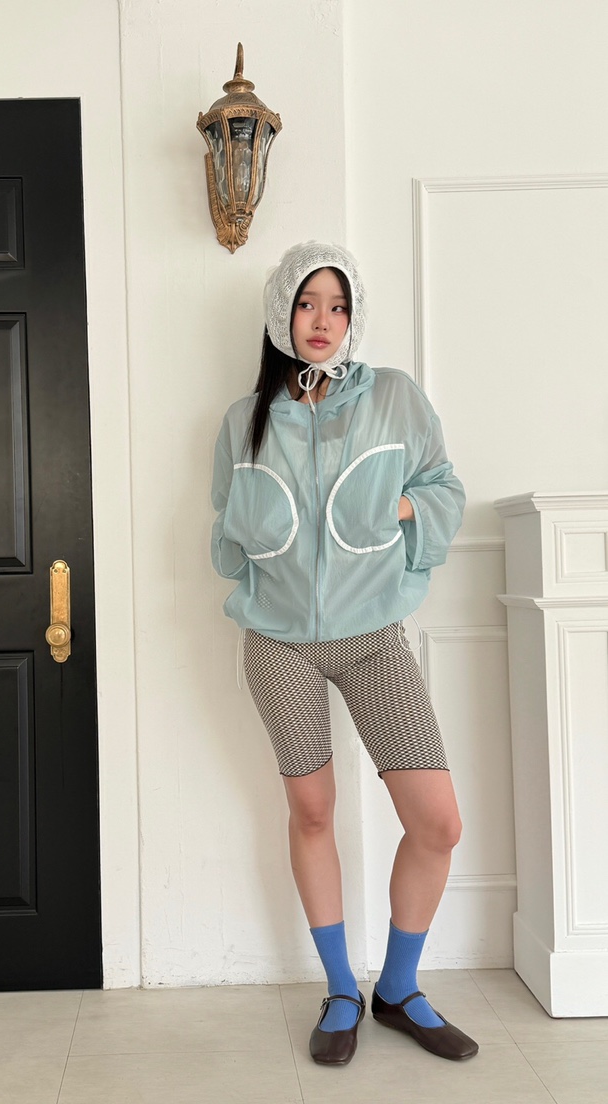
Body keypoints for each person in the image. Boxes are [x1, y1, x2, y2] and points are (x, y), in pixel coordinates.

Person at [210, 242, 478, 1066]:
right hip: (280, 643)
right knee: (314, 810)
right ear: (281, 313)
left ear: (353, 315)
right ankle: (339, 989)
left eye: (337, 305)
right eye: (306, 303)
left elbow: (444, 488)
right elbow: (227, 532)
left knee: (437, 823)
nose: (321, 320)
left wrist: (393, 506)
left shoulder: (394, 397)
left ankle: (398, 987)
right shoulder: (244, 419)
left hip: (372, 638)